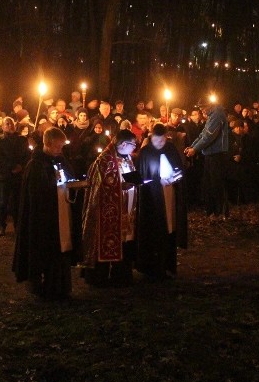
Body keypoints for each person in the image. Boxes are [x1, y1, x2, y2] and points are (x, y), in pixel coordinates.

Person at [12, 127, 74, 300]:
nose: (59, 150)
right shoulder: (36, 165)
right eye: (57, 147)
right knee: (43, 250)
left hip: (60, 212)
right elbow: (35, 194)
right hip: (43, 217)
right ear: (47, 144)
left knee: (60, 249)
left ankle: (60, 284)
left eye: (61, 147)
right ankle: (40, 284)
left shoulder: (60, 160)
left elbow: (69, 177)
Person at [81, 129, 139, 287]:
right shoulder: (105, 161)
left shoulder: (127, 157)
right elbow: (99, 187)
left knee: (123, 242)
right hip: (106, 212)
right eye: (133, 145)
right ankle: (99, 278)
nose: (135, 148)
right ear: (123, 144)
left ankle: (120, 275)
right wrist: (121, 186)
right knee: (105, 241)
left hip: (125, 209)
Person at [136, 124, 188, 280]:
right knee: (153, 229)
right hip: (151, 198)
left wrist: (173, 179)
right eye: (157, 139)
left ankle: (167, 265)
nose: (160, 142)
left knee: (168, 228)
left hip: (169, 195)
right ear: (151, 137)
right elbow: (141, 175)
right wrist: (154, 182)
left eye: (163, 139)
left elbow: (180, 171)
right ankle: (151, 267)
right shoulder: (145, 152)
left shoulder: (171, 149)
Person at [184, 99, 230, 218]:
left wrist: (195, 149)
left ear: (209, 105)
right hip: (210, 154)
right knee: (209, 183)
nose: (201, 110)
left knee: (217, 183)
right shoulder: (211, 116)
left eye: (202, 107)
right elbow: (203, 134)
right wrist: (192, 146)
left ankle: (220, 212)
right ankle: (212, 211)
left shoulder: (217, 115)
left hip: (217, 154)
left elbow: (209, 136)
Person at [0, 117, 30, 236]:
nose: (9, 126)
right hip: (5, 175)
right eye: (7, 124)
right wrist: (12, 167)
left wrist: (21, 166)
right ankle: (1, 226)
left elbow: (26, 155)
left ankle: (18, 226)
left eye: (11, 124)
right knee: (3, 202)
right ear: (3, 126)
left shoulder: (22, 140)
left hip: (18, 175)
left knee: (17, 202)